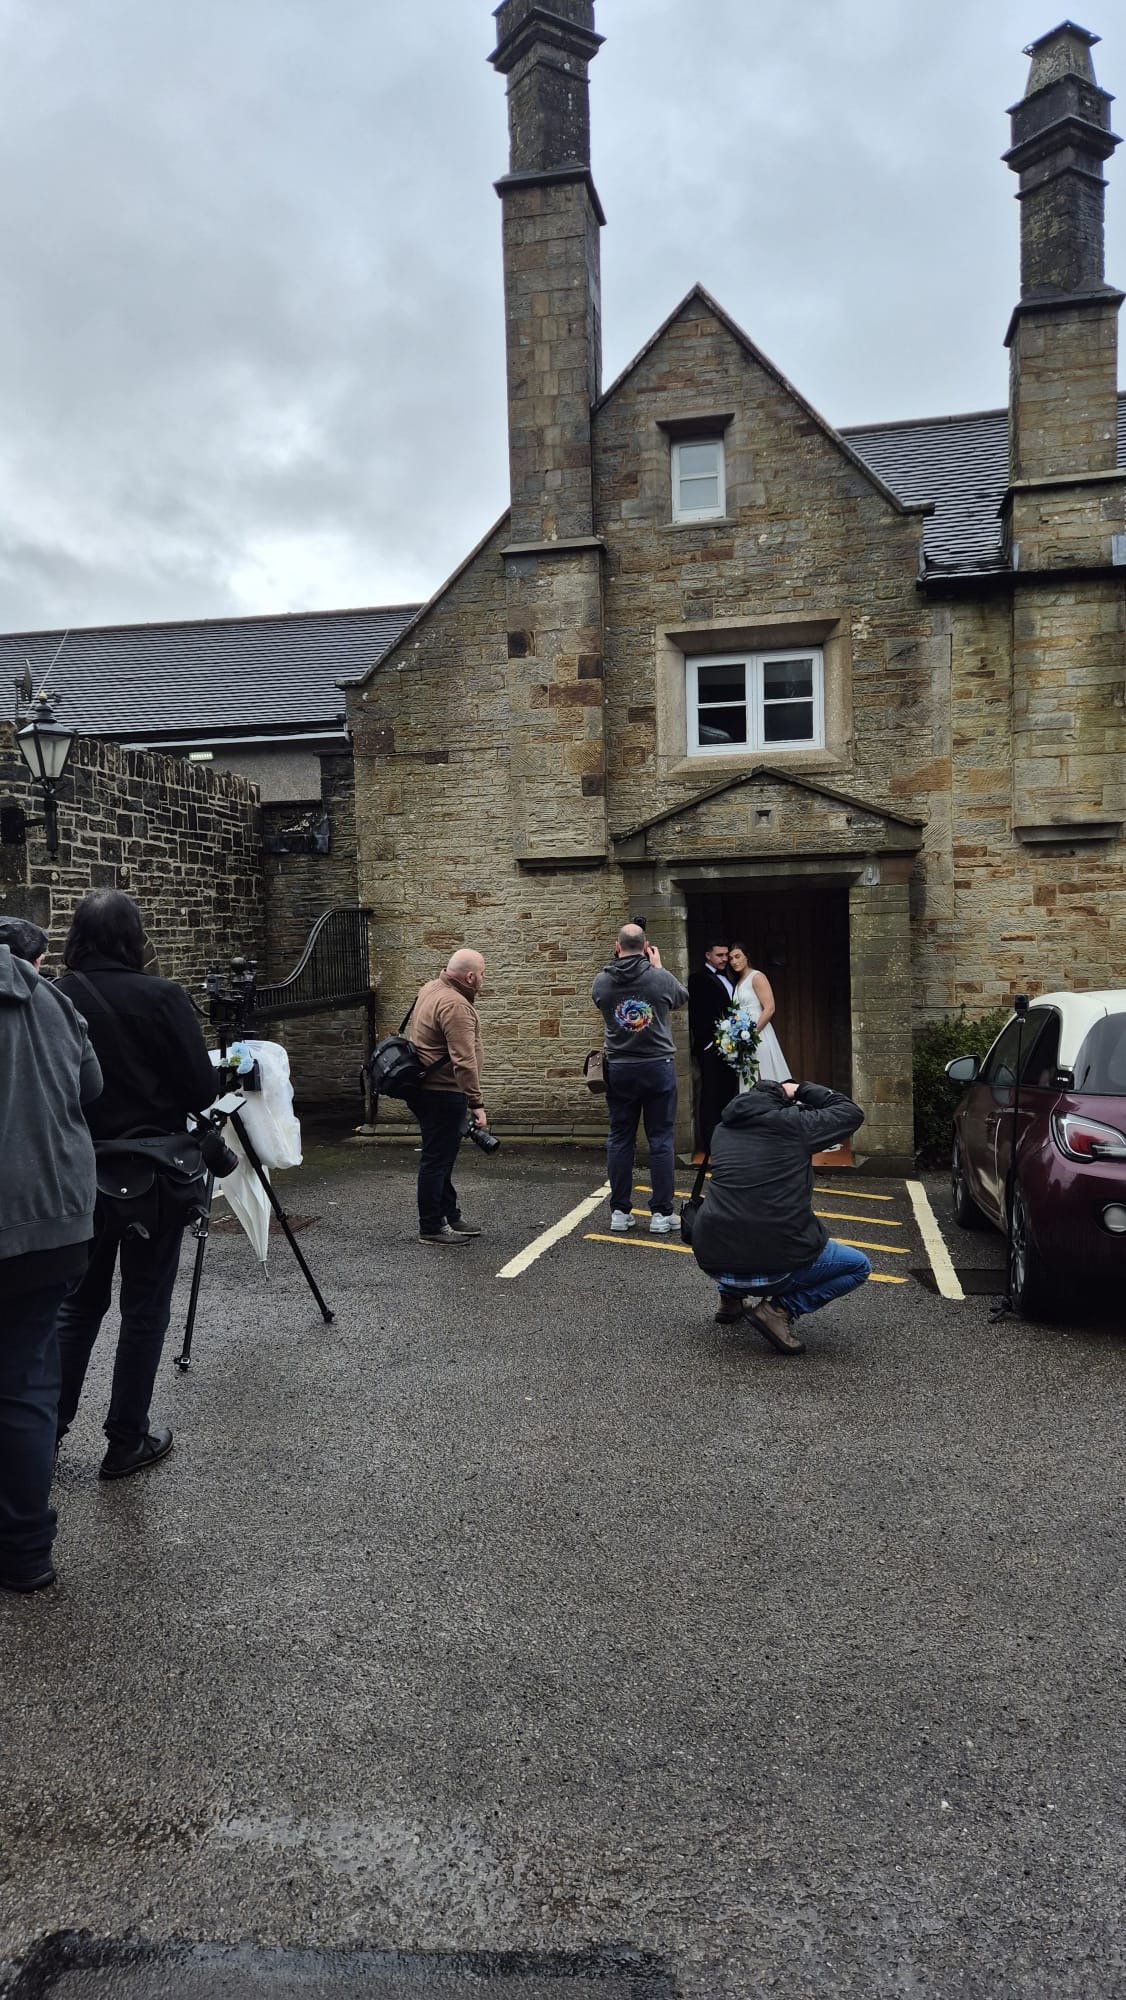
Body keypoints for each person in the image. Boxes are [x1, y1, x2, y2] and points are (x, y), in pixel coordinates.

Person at [52, 890, 218, 1479]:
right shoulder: (162, 997)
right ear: (134, 938)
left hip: (81, 1175)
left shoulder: (57, 996)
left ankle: (47, 1436)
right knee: (144, 1309)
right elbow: (202, 1090)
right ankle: (126, 1438)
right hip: (154, 1177)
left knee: (77, 1307)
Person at [0, 916, 102, 1592]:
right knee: (28, 1384)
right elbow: (90, 1086)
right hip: (60, 1215)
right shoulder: (53, 999)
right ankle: (26, 1551)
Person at [691, 1077, 870, 1356]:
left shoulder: (722, 1130)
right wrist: (800, 1089)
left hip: (714, 1258)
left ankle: (730, 1300)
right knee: (859, 1266)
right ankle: (780, 1310)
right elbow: (850, 1113)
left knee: (736, 1214)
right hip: (776, 1261)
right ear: (784, 1102)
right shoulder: (794, 1125)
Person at [592, 922, 689, 1235]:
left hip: (620, 1068)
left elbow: (599, 1002)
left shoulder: (602, 982)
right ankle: (661, 1214)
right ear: (646, 946)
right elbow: (681, 997)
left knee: (620, 1137)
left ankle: (619, 1211)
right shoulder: (658, 978)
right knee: (660, 1139)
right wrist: (657, 966)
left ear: (617, 947)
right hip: (656, 1066)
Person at [402, 948, 488, 1246]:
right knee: (437, 1160)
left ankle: (450, 1215)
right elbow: (464, 1061)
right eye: (482, 973)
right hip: (443, 1092)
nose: (483, 978)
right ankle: (431, 1227)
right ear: (470, 976)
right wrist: (476, 1102)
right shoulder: (455, 1006)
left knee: (442, 1157)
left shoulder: (431, 987)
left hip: (427, 1089)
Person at [688, 938, 737, 1151]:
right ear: (708, 955)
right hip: (710, 1047)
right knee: (710, 1093)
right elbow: (697, 1013)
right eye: (720, 955)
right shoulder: (698, 979)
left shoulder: (729, 977)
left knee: (726, 1091)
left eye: (726, 955)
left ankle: (726, 1139)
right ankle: (709, 1143)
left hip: (729, 1047)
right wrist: (707, 1044)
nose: (724, 959)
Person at [726, 942, 790, 1085]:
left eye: (737, 956)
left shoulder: (757, 977)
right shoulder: (738, 982)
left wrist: (752, 1034)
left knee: (763, 1073)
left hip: (759, 1033)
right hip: (744, 1035)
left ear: (746, 957)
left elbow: (769, 1008)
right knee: (750, 1076)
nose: (734, 962)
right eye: (731, 959)